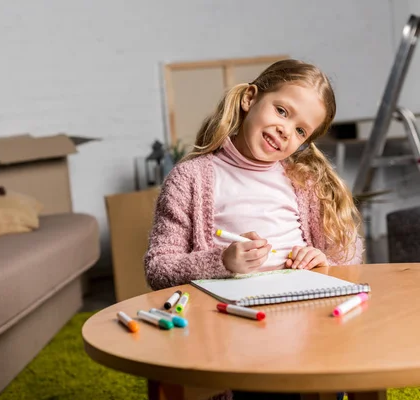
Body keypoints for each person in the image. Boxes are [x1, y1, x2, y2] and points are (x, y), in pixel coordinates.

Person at [143, 59, 364, 400]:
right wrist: (222, 262)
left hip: (307, 320)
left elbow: (349, 259)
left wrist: (322, 258)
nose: (285, 130)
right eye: (281, 111)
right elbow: (158, 267)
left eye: (301, 131)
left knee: (323, 380)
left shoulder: (302, 181)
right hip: (238, 325)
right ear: (249, 98)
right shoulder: (190, 178)